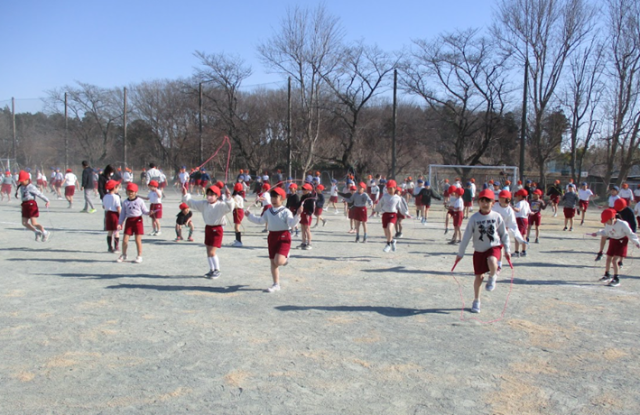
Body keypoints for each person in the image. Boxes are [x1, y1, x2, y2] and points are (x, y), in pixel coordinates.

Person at [456, 189, 511, 314]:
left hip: (493, 246)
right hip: (479, 250)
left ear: (493, 203)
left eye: (488, 201)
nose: (485, 204)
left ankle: (492, 276)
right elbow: (466, 237)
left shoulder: (497, 216)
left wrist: (507, 250)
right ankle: (476, 301)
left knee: (492, 260)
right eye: (482, 201)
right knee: (479, 277)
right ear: (478, 202)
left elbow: (504, 234)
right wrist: (460, 253)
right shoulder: (474, 218)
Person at [246, 186, 301, 292]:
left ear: (282, 199)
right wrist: (249, 216)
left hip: (284, 236)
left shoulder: (286, 211)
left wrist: (297, 216)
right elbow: (260, 221)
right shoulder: (268, 211)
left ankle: (286, 257)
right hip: (272, 236)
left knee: (279, 261)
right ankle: (276, 284)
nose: (273, 199)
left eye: (276, 197)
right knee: (273, 262)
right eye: (272, 197)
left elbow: (291, 224)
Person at [182, 184, 234, 278]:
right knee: (208, 250)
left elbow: (230, 207)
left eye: (212, 195)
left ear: (217, 196)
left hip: (217, 229)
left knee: (212, 252)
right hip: (208, 228)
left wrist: (229, 197)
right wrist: (186, 194)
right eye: (208, 194)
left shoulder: (221, 205)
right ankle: (212, 269)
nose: (209, 197)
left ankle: (217, 270)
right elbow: (192, 203)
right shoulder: (204, 204)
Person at [589, 208, 640, 287]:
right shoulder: (607, 224)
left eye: (607, 221)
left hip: (622, 241)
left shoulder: (623, 224)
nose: (606, 223)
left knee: (614, 260)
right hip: (613, 240)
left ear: (612, 218)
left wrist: (637, 242)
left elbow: (630, 234)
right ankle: (607, 274)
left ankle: (616, 278)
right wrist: (597, 233)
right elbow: (605, 232)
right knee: (608, 258)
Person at [374, 180, 411, 253]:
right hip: (385, 215)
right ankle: (392, 241)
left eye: (391, 188)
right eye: (388, 188)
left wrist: (406, 213)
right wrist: (375, 210)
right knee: (386, 233)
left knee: (389, 228)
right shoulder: (385, 196)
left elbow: (402, 207)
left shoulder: (398, 198)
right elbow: (379, 204)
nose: (390, 190)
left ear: (395, 188)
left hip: (393, 215)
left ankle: (388, 245)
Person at [117, 183, 150, 263]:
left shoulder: (140, 201)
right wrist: (120, 223)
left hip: (138, 221)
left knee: (137, 240)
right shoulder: (125, 202)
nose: (130, 193)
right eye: (128, 191)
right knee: (125, 239)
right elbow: (123, 214)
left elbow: (145, 211)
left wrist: (150, 212)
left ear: (135, 192)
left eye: (132, 191)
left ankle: (139, 256)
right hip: (129, 221)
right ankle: (124, 254)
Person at [15, 170, 50, 241]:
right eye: (20, 181)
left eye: (22, 181)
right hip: (24, 205)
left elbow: (39, 194)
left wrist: (47, 200)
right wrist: (17, 195)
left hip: (31, 205)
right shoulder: (21, 186)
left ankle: (45, 232)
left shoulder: (31, 187)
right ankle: (36, 232)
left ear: (27, 180)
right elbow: (22, 194)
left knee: (33, 222)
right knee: (24, 223)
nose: (21, 182)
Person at [102, 180, 121, 252]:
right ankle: (116, 247)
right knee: (116, 232)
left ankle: (110, 247)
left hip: (108, 214)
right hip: (115, 214)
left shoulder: (105, 196)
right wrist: (121, 216)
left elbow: (103, 206)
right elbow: (118, 207)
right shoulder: (116, 197)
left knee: (110, 231)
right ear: (114, 188)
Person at [513, 189, 531, 257]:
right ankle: (523, 251)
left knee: (517, 235)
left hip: (520, 219)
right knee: (523, 235)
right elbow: (530, 212)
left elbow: (518, 210)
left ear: (521, 196)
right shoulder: (527, 203)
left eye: (518, 196)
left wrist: (512, 207)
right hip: (525, 219)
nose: (517, 197)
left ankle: (516, 251)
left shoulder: (520, 203)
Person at [298, 183, 315, 250]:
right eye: (303, 189)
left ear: (308, 190)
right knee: (302, 228)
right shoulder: (303, 196)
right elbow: (300, 204)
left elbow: (312, 207)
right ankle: (303, 242)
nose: (303, 190)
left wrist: (309, 214)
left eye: (304, 189)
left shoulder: (311, 197)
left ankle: (309, 243)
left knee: (307, 229)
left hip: (308, 213)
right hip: (303, 213)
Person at [231, 183, 245, 247]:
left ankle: (239, 241)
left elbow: (236, 204)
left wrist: (232, 200)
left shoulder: (237, 197)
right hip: (236, 211)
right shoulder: (236, 196)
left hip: (238, 211)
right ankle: (237, 240)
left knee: (237, 227)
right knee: (235, 227)